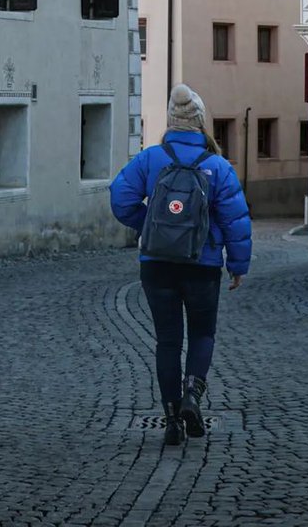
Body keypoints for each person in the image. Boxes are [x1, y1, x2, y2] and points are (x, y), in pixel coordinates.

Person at [109, 83, 252, 445]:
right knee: (202, 334)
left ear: (171, 122)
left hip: (157, 265)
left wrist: (150, 227)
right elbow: (236, 220)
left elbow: (119, 196)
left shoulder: (150, 158)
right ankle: (192, 395)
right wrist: (237, 265)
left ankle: (172, 420)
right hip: (202, 265)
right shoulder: (217, 166)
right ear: (201, 123)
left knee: (168, 342)